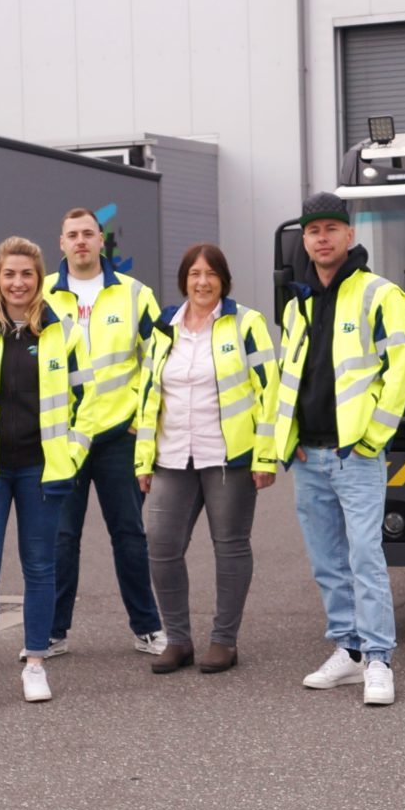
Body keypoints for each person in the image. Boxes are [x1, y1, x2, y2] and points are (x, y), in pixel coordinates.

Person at [263, 191, 405, 707]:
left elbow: (401, 371)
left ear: (349, 235)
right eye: (313, 231)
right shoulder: (298, 304)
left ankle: (378, 658)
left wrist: (373, 438)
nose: (322, 238)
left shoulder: (379, 294)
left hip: (356, 453)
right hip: (309, 455)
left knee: (365, 557)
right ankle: (349, 651)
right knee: (327, 562)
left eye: (331, 228)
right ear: (304, 241)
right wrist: (285, 441)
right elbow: (288, 377)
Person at [0, 237, 97, 714]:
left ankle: (35, 664)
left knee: (40, 569)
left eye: (27, 274)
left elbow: (87, 402)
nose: (18, 283)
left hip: (41, 472)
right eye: (9, 274)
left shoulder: (63, 332)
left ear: (40, 279)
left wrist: (70, 457)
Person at [132, 242, 279, 673]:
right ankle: (178, 640)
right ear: (184, 280)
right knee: (161, 546)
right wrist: (143, 459)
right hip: (172, 455)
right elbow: (148, 395)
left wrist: (265, 457)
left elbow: (268, 392)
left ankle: (224, 641)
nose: (202, 282)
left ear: (223, 281)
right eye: (194, 274)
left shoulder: (246, 323)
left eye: (211, 274)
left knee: (230, 547)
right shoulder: (165, 327)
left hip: (228, 457)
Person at [41, 207, 166, 658]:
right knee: (60, 538)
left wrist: (140, 422)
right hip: (63, 436)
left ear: (100, 240)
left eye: (88, 233)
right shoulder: (41, 296)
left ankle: (147, 628)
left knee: (129, 535)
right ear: (61, 243)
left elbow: (158, 361)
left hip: (119, 434)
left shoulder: (135, 294)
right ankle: (51, 632)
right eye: (72, 234)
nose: (80, 241)